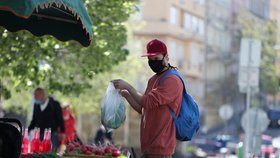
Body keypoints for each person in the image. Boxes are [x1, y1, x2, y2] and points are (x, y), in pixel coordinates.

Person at [112, 39, 183, 158]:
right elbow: (143, 108)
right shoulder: (153, 79)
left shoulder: (172, 81)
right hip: (148, 146)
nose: (152, 62)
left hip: (161, 148)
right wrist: (127, 95)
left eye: (156, 59)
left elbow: (147, 101)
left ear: (166, 57)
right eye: (150, 60)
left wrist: (128, 86)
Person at [28, 87, 65, 152]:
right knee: (39, 153)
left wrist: (62, 131)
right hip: (39, 135)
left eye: (36, 95)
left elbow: (60, 119)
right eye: (34, 96)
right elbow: (34, 120)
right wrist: (27, 130)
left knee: (51, 153)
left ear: (42, 95)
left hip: (52, 134)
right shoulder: (36, 105)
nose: (35, 98)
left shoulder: (54, 104)